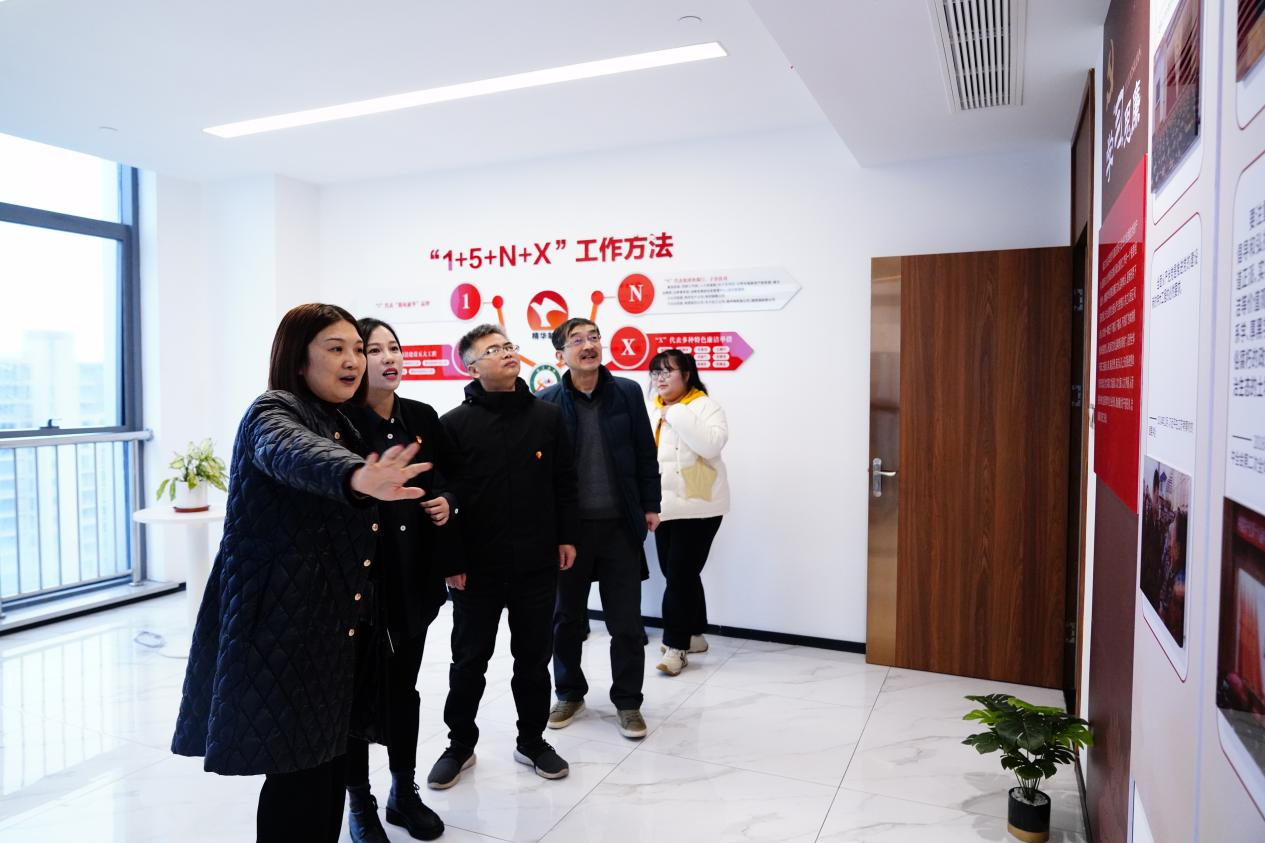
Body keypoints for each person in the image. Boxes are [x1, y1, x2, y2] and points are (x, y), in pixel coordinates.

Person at [171, 303, 434, 843]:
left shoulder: (338, 419)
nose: (353, 361)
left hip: (330, 628)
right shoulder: (273, 410)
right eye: (336, 349)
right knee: (297, 775)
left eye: (357, 349)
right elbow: (290, 451)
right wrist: (356, 475)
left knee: (325, 765)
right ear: (298, 359)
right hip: (282, 629)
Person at [425, 323, 579, 789]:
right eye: (493, 350)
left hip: (536, 561)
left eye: (509, 346)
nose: (508, 353)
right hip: (477, 567)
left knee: (533, 659)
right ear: (471, 367)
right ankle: (459, 745)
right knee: (469, 661)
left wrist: (566, 536)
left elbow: (564, 481)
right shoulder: (453, 424)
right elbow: (444, 496)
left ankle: (532, 740)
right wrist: (451, 562)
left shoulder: (547, 417)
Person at [339, 317, 461, 842]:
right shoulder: (340, 422)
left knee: (403, 691)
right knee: (353, 698)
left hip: (413, 580)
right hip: (359, 589)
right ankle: (359, 802)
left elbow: (450, 478)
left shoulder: (421, 416)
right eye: (374, 349)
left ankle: (402, 791)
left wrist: (447, 501)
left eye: (394, 348)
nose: (388, 357)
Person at [537, 318, 661, 740]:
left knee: (626, 622)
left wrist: (651, 504)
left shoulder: (626, 392)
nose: (588, 346)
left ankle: (628, 701)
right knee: (566, 620)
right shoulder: (547, 402)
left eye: (593, 338)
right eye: (577, 341)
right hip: (570, 533)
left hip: (619, 527)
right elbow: (544, 473)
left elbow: (645, 452)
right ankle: (569, 693)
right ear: (560, 355)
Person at [645, 349, 729, 676]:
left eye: (668, 371)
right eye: (656, 372)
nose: (660, 378)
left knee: (679, 576)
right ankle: (695, 635)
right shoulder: (653, 409)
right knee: (678, 573)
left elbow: (710, 445)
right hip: (665, 507)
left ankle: (676, 646)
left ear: (687, 374)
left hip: (700, 506)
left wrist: (676, 412)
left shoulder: (705, 406)